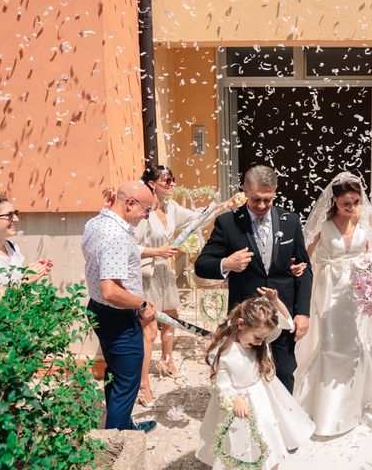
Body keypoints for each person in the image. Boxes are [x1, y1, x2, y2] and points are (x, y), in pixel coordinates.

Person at [293, 172, 372, 437]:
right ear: (333, 200)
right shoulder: (323, 226)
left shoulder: (365, 219)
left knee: (359, 343)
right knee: (332, 344)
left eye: (356, 201)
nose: (352, 207)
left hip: (360, 293)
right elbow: (304, 256)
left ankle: (356, 400)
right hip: (329, 292)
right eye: (346, 202)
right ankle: (327, 408)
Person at [195, 165, 313, 394]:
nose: (261, 206)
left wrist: (303, 313)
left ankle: (282, 422)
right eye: (256, 199)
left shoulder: (291, 221)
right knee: (245, 374)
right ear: (245, 191)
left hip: (282, 312)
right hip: (245, 318)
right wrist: (226, 264)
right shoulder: (227, 223)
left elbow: (305, 268)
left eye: (267, 200)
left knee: (285, 371)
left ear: (275, 192)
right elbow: (201, 265)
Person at [134, 165, 241, 407]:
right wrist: (157, 251)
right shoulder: (143, 212)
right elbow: (131, 247)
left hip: (163, 271)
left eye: (173, 179)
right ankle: (143, 386)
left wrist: (225, 205)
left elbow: (197, 218)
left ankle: (167, 360)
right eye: (167, 180)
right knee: (148, 330)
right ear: (152, 184)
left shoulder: (171, 208)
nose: (172, 184)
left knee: (172, 317)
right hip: (145, 273)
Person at [196, 288, 315, 469]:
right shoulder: (223, 352)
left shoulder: (259, 337)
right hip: (238, 405)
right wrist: (234, 398)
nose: (260, 343)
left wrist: (275, 302)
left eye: (264, 338)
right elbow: (220, 384)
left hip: (261, 398)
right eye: (258, 337)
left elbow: (287, 323)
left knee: (268, 438)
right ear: (241, 324)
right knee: (240, 444)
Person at [82, 181, 157, 432]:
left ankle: (124, 424)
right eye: (145, 211)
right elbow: (111, 291)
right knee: (127, 383)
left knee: (115, 373)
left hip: (99, 309)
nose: (145, 217)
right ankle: (116, 442)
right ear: (130, 204)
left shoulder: (96, 223)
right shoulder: (115, 235)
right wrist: (142, 303)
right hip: (117, 316)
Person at [0, 195, 52, 296]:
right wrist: (25, 281)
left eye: (15, 213)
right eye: (9, 215)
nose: (16, 219)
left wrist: (31, 272)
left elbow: (18, 289)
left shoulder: (11, 247)